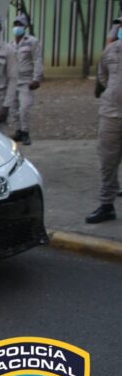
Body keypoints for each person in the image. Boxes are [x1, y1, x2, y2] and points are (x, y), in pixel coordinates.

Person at [86, 15, 122, 224]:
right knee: (108, 162)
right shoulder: (110, 50)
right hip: (111, 114)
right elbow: (102, 76)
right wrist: (112, 93)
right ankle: (107, 205)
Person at [10, 13, 43, 145]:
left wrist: (36, 78)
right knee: (13, 108)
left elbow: (37, 60)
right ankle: (18, 131)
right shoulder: (11, 44)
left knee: (24, 108)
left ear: (25, 27)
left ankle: (25, 132)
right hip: (13, 80)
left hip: (26, 80)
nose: (17, 27)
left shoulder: (32, 41)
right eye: (15, 24)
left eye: (20, 24)